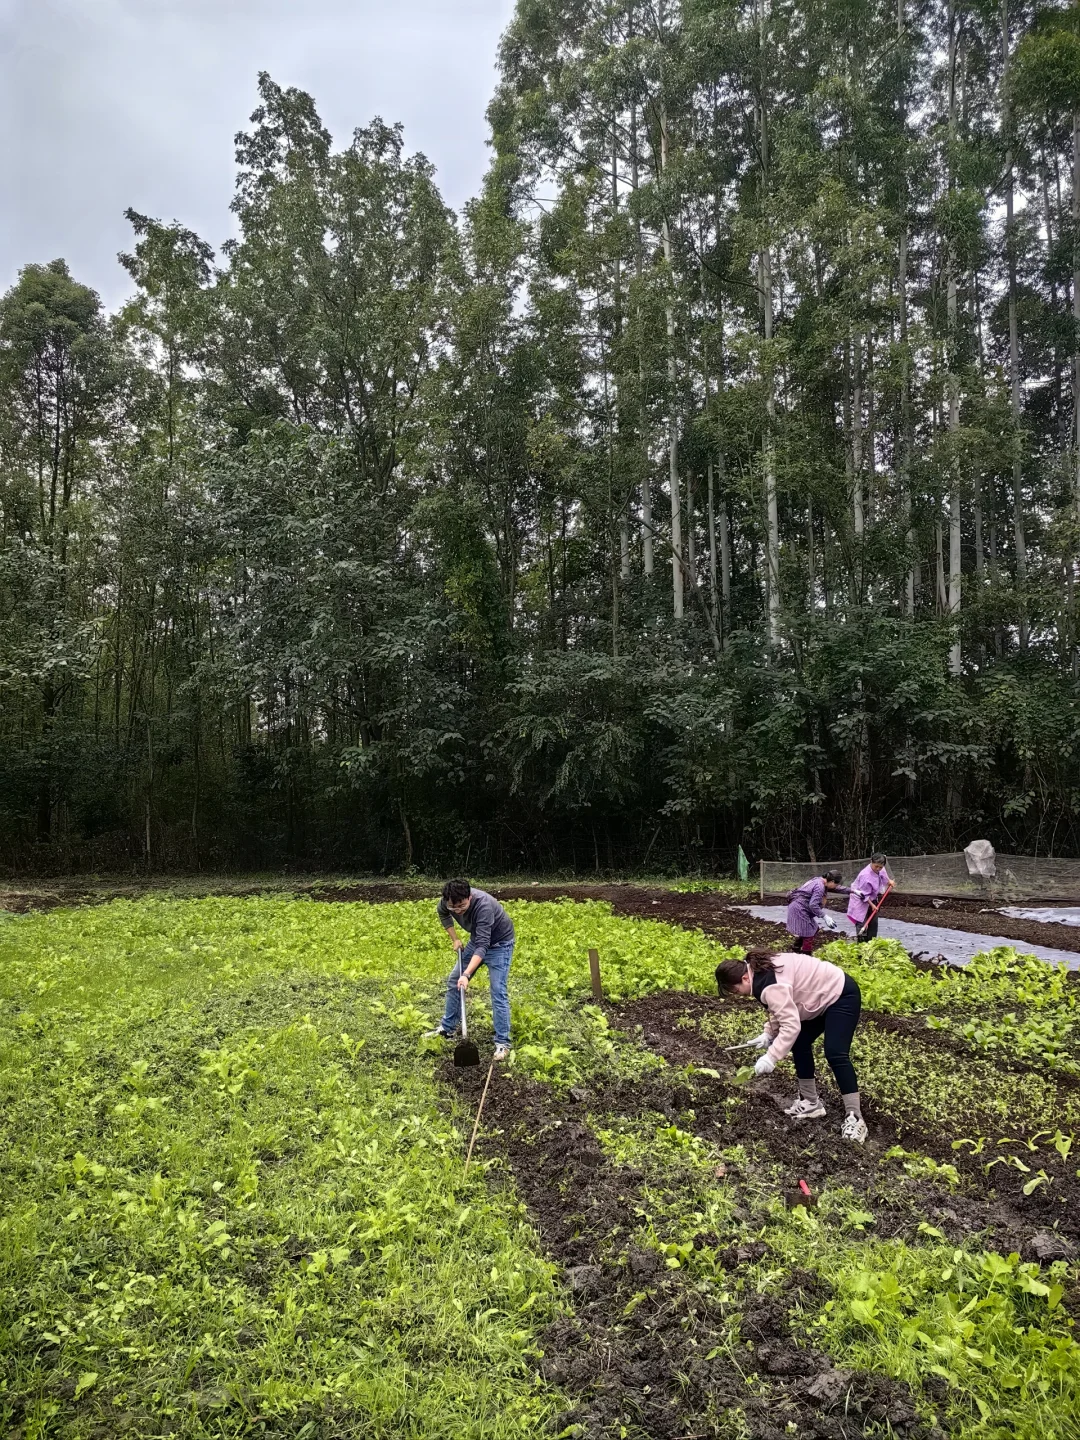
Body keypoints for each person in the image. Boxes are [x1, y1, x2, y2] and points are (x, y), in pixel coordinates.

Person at [715, 948, 867, 1143]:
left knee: (835, 1052)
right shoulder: (757, 971)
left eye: (735, 990)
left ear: (744, 978)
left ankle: (855, 1117)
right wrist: (768, 1033)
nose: (737, 995)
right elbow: (779, 1007)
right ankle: (811, 1103)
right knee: (800, 1042)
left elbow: (791, 1024)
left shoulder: (768, 985)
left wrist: (771, 1056)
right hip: (817, 998)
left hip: (840, 994)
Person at [424, 879, 515, 1060]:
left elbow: (483, 946)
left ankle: (502, 1043)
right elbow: (443, 914)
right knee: (453, 980)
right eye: (454, 907)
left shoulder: (484, 906)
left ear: (470, 897)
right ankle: (447, 1029)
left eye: (462, 906)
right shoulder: (446, 903)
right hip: (478, 940)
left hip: (499, 944)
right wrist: (455, 939)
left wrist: (466, 974)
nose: (458, 911)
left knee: (498, 990)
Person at [785, 870, 848, 954]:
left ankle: (796, 948)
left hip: (799, 907)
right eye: (836, 884)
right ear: (832, 881)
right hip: (799, 909)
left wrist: (854, 891)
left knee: (813, 929)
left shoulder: (819, 880)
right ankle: (806, 957)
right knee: (809, 933)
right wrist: (825, 916)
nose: (835, 887)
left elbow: (838, 888)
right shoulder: (819, 886)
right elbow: (813, 905)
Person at [847, 852, 891, 942]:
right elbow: (864, 895)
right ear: (871, 862)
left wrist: (889, 882)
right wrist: (871, 905)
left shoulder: (880, 868)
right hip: (860, 899)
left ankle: (871, 943)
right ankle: (862, 946)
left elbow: (883, 875)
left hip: (872, 898)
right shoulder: (865, 876)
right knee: (862, 923)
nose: (878, 869)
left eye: (880, 867)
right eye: (876, 866)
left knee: (873, 923)